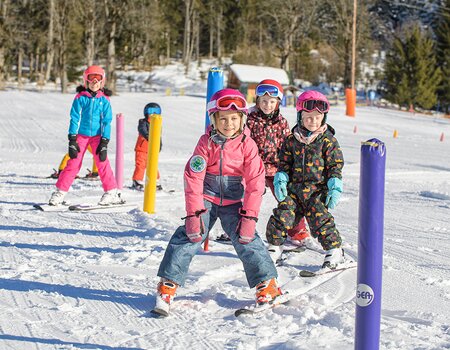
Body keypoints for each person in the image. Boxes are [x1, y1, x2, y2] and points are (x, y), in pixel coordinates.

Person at [153, 88, 282, 316]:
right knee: (190, 236)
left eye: (234, 118)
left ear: (242, 119)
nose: (229, 124)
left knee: (247, 238)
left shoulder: (247, 145)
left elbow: (255, 182)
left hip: (234, 199)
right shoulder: (206, 142)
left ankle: (267, 285)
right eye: (223, 119)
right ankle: (168, 285)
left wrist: (250, 217)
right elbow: (194, 176)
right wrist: (194, 214)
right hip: (207, 197)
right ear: (214, 119)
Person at [265, 90, 346, 269]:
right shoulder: (291, 140)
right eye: (308, 117)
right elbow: (284, 163)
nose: (313, 121)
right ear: (300, 116)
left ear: (323, 118)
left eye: (317, 117)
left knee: (321, 219)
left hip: (316, 191)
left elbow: (335, 165)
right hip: (294, 191)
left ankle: (334, 250)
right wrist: (281, 178)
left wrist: (335, 185)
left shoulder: (328, 141)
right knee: (282, 215)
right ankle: (274, 247)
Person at [246, 79, 311, 257]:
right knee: (249, 198)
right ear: (257, 101)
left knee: (288, 198)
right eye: (264, 101)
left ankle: (297, 231)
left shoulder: (282, 122)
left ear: (278, 103)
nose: (267, 105)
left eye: (272, 101)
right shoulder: (249, 120)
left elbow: (288, 144)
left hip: (277, 168)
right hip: (255, 167)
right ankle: (242, 229)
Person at [48, 65, 123, 206]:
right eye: (91, 78)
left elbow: (107, 121)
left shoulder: (104, 100)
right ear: (86, 80)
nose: (94, 81)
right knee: (73, 163)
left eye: (98, 78)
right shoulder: (80, 98)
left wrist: (104, 141)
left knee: (102, 162)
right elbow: (74, 118)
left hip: (97, 137)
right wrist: (72, 139)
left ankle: (112, 192)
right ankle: (60, 192)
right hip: (81, 136)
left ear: (102, 82)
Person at [131, 102, 162, 191]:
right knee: (140, 165)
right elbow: (142, 130)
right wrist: (149, 136)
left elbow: (159, 136)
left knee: (153, 165)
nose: (153, 114)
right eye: (151, 111)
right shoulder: (143, 122)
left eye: (156, 111)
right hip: (141, 149)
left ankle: (155, 181)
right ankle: (137, 181)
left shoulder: (158, 123)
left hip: (152, 149)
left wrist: (159, 145)